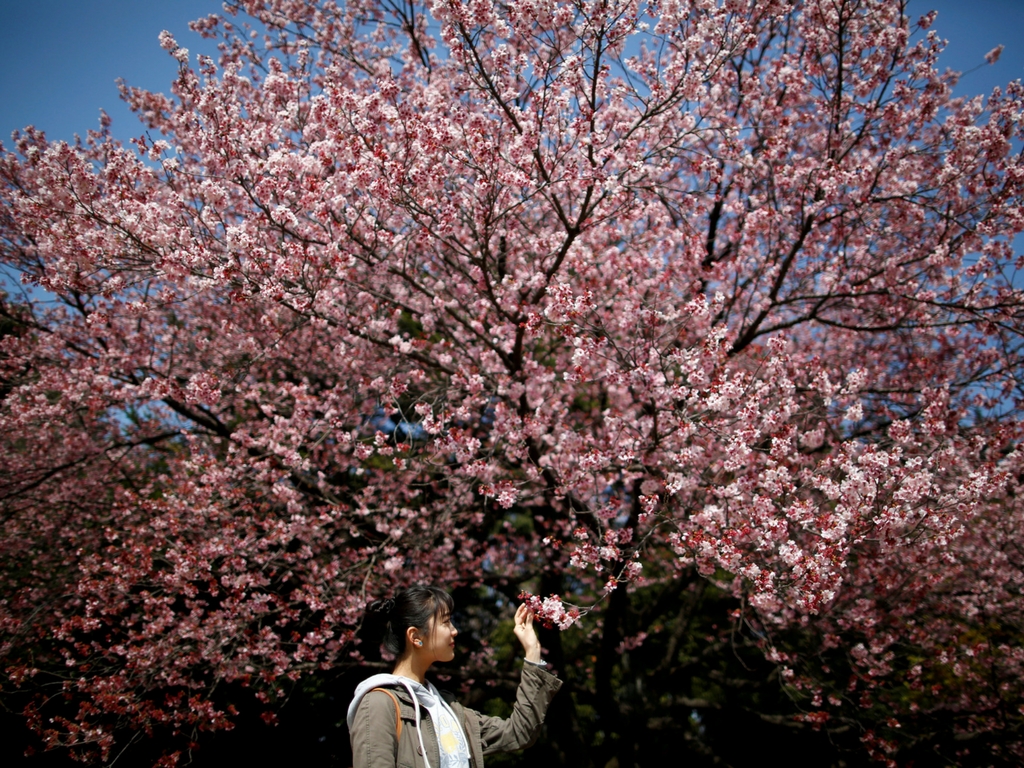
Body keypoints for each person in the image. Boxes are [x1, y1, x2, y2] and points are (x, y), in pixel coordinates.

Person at [347, 586, 562, 768]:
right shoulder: (378, 704)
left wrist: (532, 651)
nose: (454, 631)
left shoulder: (451, 711)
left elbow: (519, 733)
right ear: (415, 636)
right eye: (446, 622)